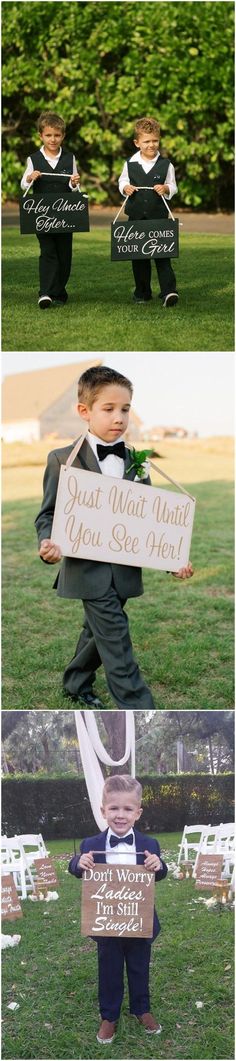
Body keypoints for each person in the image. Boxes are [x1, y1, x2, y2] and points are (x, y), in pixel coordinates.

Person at [35, 365, 193, 709]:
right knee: (117, 640)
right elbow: (47, 514)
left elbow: (151, 521)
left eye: (125, 408)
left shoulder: (139, 462)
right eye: (108, 409)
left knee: (97, 633)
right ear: (84, 411)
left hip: (123, 569)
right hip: (85, 570)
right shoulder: (62, 459)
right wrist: (47, 543)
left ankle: (75, 683)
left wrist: (173, 562)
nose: (119, 417)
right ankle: (138, 708)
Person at [68, 774, 168, 1043]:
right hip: (106, 924)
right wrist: (80, 862)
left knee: (139, 967)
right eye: (114, 808)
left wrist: (158, 866)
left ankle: (142, 1009)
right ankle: (109, 1016)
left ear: (138, 812)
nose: (120, 815)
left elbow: (160, 873)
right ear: (103, 811)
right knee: (109, 969)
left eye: (127, 809)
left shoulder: (149, 844)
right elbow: (74, 867)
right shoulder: (91, 845)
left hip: (139, 921)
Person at [21, 110, 80, 308]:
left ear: (62, 136)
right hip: (42, 215)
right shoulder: (33, 159)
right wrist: (30, 178)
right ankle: (45, 293)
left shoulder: (69, 158)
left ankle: (59, 292)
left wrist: (74, 182)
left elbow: (74, 188)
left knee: (65, 255)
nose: (52, 139)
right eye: (48, 135)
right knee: (48, 252)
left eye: (57, 135)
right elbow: (23, 184)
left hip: (65, 216)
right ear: (41, 136)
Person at [118, 116, 178, 306]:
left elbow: (173, 186)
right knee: (139, 258)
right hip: (135, 218)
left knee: (162, 256)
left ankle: (169, 292)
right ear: (137, 143)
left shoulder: (166, 164)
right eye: (147, 141)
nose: (151, 145)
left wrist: (166, 189)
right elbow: (122, 181)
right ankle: (142, 293)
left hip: (159, 217)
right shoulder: (129, 164)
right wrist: (125, 188)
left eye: (155, 140)